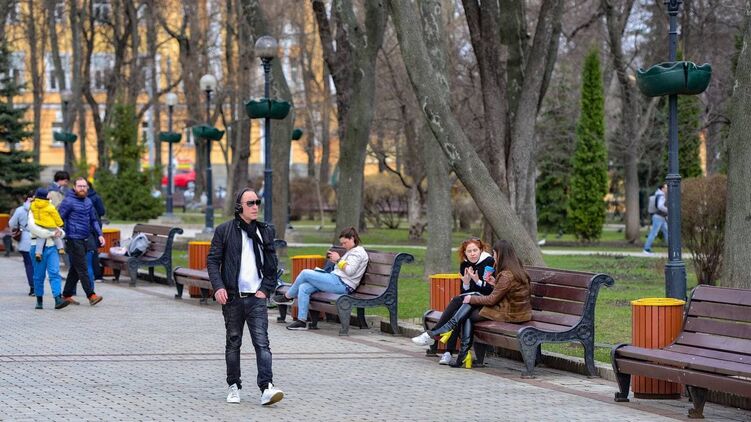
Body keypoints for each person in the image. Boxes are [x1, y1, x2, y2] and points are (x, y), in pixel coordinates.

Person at [207, 188, 284, 406]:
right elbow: (213, 261)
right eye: (250, 203)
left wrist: (265, 290)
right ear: (239, 207)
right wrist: (218, 287)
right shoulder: (224, 231)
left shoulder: (265, 231)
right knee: (233, 343)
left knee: (262, 344)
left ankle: (267, 388)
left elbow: (272, 265)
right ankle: (234, 386)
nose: (255, 206)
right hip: (233, 298)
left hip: (256, 298)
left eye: (257, 202)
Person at [412, 240, 533, 368]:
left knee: (466, 306)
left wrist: (471, 298)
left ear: (501, 254)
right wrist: (493, 284)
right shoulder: (514, 271)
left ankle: (442, 335)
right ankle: (457, 350)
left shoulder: (506, 275)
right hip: (512, 310)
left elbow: (492, 299)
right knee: (466, 312)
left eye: (495, 254)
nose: (494, 257)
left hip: (511, 314)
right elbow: (506, 293)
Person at [272, 227, 369, 331]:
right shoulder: (352, 251)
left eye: (345, 243)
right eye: (342, 243)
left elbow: (350, 271)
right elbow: (344, 268)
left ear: (352, 238)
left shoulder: (358, 252)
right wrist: (336, 261)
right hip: (336, 280)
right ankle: (301, 321)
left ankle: (287, 297)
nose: (343, 246)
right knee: (304, 287)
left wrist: (338, 260)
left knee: (305, 273)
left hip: (342, 284)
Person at [434, 238, 495, 365]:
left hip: (484, 302)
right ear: (465, 253)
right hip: (470, 301)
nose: (472, 254)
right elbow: (465, 291)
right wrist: (466, 283)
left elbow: (489, 290)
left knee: (458, 304)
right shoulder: (464, 265)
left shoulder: (489, 262)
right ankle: (450, 353)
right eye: (469, 251)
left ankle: (435, 333)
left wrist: (477, 281)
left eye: (475, 250)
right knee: (459, 313)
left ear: (480, 250)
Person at [57, 177, 104, 306]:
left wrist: (100, 235)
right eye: (80, 186)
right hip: (73, 239)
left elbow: (93, 220)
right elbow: (59, 218)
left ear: (87, 188)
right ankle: (91, 295)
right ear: (74, 187)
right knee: (82, 267)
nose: (82, 189)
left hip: (85, 238)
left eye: (84, 186)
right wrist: (58, 231)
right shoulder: (68, 201)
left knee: (75, 269)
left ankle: (66, 295)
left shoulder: (88, 201)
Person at [26, 205, 69, 310]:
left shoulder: (51, 209)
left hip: (52, 247)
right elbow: (36, 230)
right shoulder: (32, 212)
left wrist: (60, 233)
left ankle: (58, 299)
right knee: (39, 276)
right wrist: (53, 233)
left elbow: (59, 227)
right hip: (37, 248)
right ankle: (39, 300)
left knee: (54, 273)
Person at [9, 191, 35, 296]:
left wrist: (20, 226)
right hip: (39, 239)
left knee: (29, 265)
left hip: (25, 239)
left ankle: (33, 288)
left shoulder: (20, 210)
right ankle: (38, 287)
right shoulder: (41, 209)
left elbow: (11, 223)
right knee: (38, 265)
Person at [29, 188, 66, 261]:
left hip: (39, 224)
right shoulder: (49, 206)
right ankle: (60, 248)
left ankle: (38, 253)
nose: (49, 194)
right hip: (50, 224)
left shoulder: (33, 205)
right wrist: (60, 224)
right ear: (45, 196)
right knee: (56, 236)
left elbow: (32, 210)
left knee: (40, 238)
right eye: (48, 194)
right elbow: (56, 216)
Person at [643, 183, 668, 256]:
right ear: (662, 189)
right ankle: (646, 249)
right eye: (666, 187)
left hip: (661, 217)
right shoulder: (661, 196)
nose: (667, 189)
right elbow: (660, 206)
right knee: (654, 233)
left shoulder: (658, 195)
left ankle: (673, 248)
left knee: (667, 232)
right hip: (658, 217)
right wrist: (668, 210)